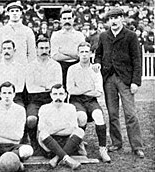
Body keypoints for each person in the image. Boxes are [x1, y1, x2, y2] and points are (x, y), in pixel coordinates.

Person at [93, 7, 144, 158]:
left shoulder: (131, 36)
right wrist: (97, 63)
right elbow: (98, 54)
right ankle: (116, 142)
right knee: (112, 113)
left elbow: (137, 59)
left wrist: (135, 81)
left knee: (130, 114)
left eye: (116, 17)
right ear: (108, 21)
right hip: (108, 78)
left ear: (122, 18)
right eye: (110, 18)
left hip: (126, 80)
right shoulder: (103, 36)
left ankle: (137, 146)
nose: (113, 21)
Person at [66, 42, 111, 162]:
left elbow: (98, 92)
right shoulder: (72, 69)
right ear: (78, 53)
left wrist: (81, 90)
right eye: (82, 52)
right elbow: (70, 90)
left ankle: (102, 149)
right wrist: (87, 90)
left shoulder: (95, 69)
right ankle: (79, 142)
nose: (84, 54)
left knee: (99, 116)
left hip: (91, 100)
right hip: (76, 100)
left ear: (91, 53)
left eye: (87, 51)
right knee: (82, 117)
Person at [25, 37, 62, 153]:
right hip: (34, 100)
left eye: (46, 48)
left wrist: (42, 86)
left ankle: (54, 143)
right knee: (31, 119)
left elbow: (58, 85)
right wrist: (47, 86)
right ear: (36, 49)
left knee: (55, 119)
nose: (44, 50)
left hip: (51, 99)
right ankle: (34, 143)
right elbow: (30, 88)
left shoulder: (56, 65)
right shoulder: (30, 66)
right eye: (41, 48)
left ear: (50, 48)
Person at [37, 84, 84, 170]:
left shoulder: (71, 108)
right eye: (55, 94)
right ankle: (66, 158)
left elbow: (73, 128)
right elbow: (41, 129)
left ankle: (57, 159)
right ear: (50, 95)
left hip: (67, 143)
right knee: (43, 134)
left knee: (80, 131)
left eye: (61, 94)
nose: (58, 97)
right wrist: (64, 127)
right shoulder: (44, 108)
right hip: (50, 146)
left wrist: (52, 129)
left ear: (65, 95)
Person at [50, 9, 85, 90]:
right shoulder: (55, 35)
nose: (67, 21)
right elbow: (55, 56)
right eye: (64, 19)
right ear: (60, 20)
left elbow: (81, 55)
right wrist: (74, 55)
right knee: (62, 91)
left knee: (76, 90)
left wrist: (63, 51)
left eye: (69, 18)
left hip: (76, 65)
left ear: (73, 19)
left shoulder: (80, 35)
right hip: (61, 67)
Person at [0, 40, 25, 106]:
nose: (6, 51)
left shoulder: (20, 68)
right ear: (1, 51)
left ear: (14, 51)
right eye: (4, 49)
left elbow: (20, 87)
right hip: (0, 97)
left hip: (15, 98)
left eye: (9, 48)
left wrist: (9, 94)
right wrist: (4, 94)